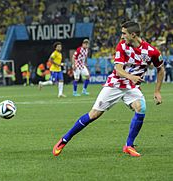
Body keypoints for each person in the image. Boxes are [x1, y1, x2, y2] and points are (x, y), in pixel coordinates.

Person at [52, 21, 165, 157]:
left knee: (141, 109)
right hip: (115, 84)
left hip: (131, 87)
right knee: (93, 115)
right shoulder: (122, 46)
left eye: (124, 33)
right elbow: (118, 69)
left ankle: (128, 145)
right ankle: (64, 140)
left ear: (133, 34)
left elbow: (160, 69)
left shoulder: (152, 52)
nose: (122, 36)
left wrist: (157, 91)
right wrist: (131, 76)